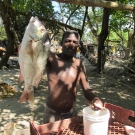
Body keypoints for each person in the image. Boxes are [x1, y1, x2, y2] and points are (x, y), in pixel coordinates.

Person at [43, 30, 103, 124]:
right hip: (52, 115)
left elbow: (87, 89)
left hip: (71, 114)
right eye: (67, 41)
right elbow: (34, 53)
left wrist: (95, 99)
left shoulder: (79, 64)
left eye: (75, 42)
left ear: (78, 46)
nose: (71, 44)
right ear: (61, 43)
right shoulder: (51, 59)